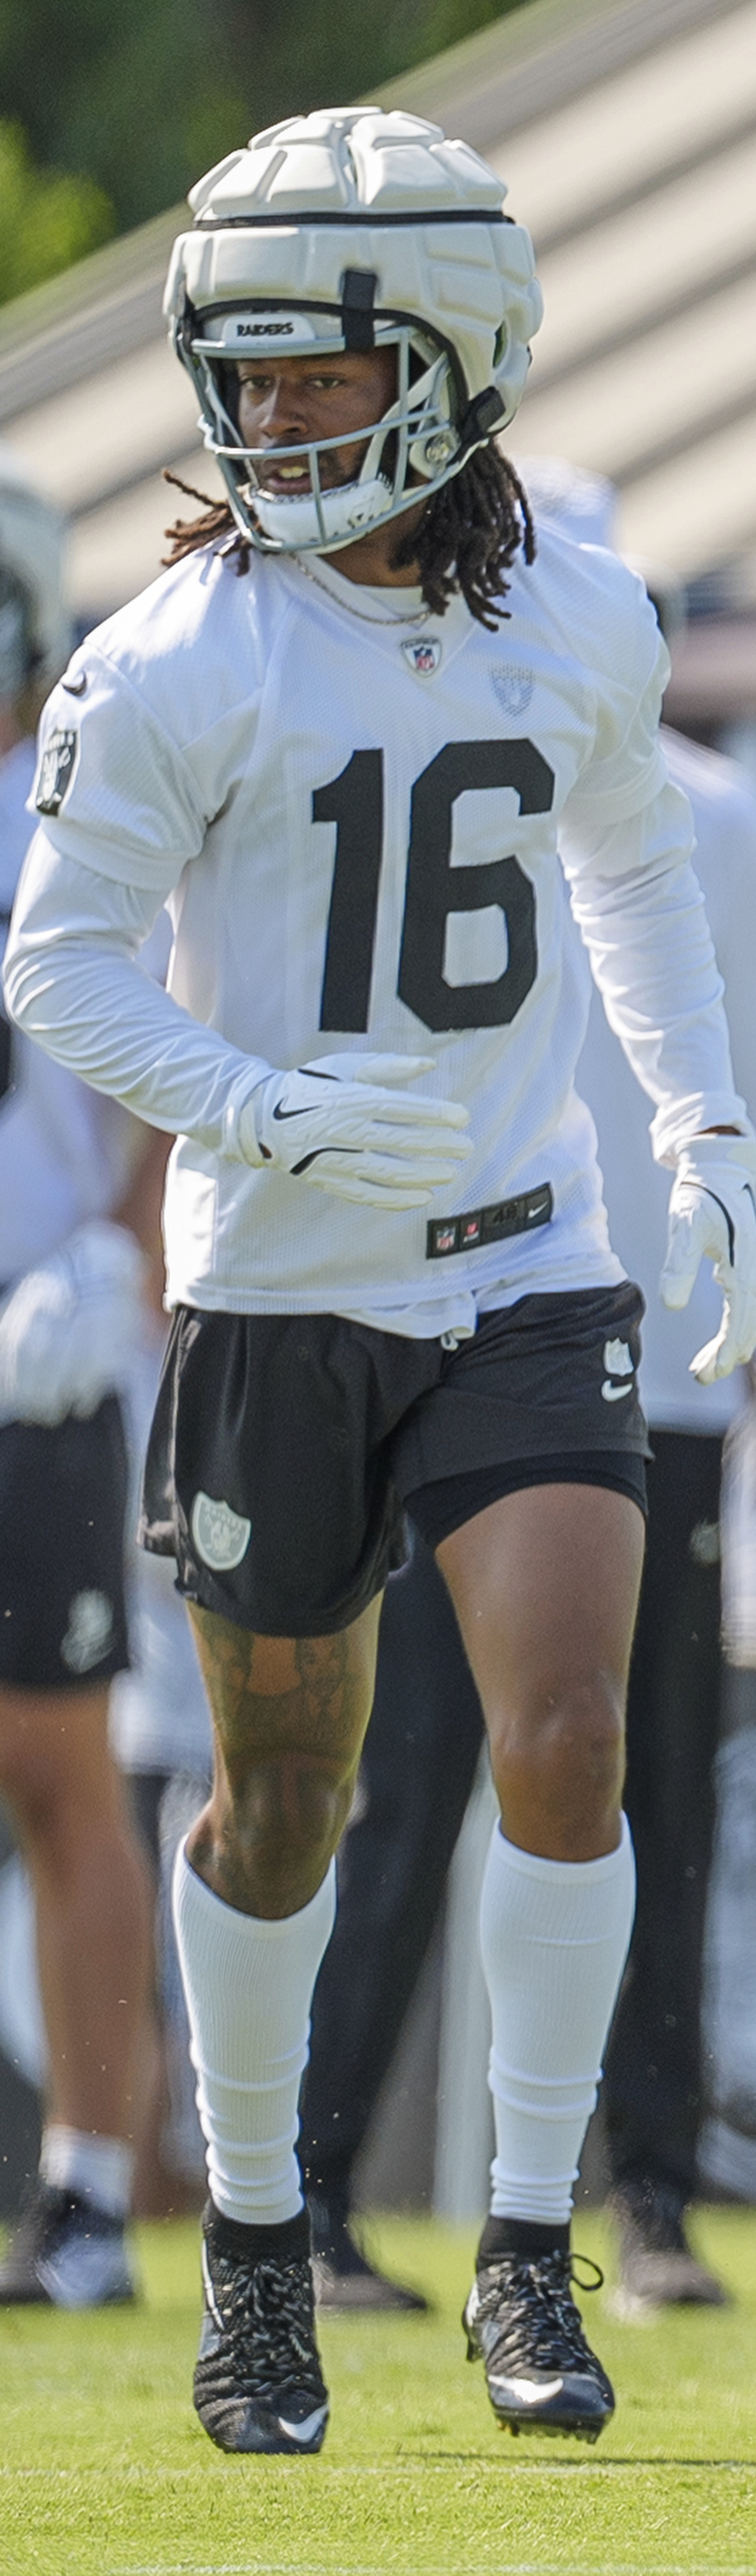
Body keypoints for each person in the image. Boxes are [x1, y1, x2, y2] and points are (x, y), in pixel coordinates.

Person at [0, 107, 756, 2452]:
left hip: (526, 1255)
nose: (266, 423)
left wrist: (703, 1124)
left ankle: (527, 2249)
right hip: (277, 1283)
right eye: (236, 381)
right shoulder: (166, 658)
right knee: (283, 1803)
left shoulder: (578, 617)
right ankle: (255, 2248)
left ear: (452, 364)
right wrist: (248, 1106)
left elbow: (638, 870)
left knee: (567, 1736)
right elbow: (53, 964)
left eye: (313, 377)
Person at [283, 463, 756, 2319]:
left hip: (651, 1358)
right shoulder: (362, 750)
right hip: (434, 1329)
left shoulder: (715, 810)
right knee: (400, 1777)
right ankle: (312, 2195)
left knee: (640, 1777)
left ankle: (652, 2188)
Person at [0, 438, 161, 2311]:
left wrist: (118, 1257)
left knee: (56, 1766)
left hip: (35, 1352)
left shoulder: (80, 810)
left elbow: (161, 1086)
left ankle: (96, 2184)